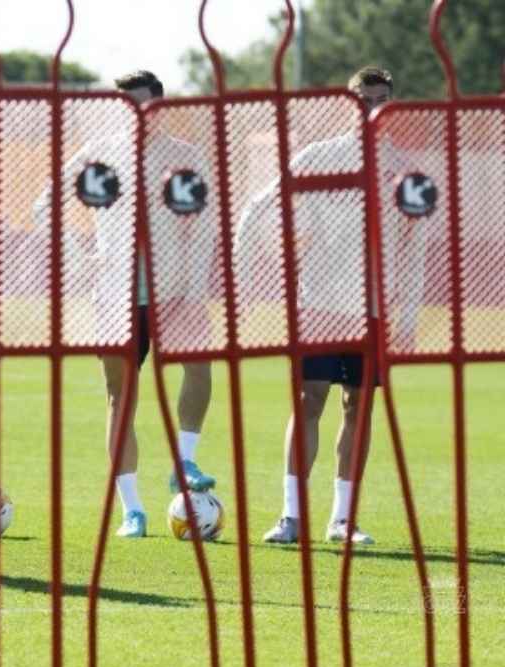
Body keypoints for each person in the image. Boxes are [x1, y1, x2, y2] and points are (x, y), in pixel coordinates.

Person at [43, 70, 217, 539]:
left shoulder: (187, 156)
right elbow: (47, 204)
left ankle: (184, 460)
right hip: (117, 296)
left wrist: (196, 284)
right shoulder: (100, 153)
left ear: (160, 105)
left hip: (178, 291)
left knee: (200, 369)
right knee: (121, 398)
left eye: (144, 104)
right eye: (127, 105)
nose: (137, 113)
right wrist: (82, 256)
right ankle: (132, 510)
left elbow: (206, 225)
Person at [244, 66, 397, 546]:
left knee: (359, 407)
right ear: (347, 102)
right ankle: (291, 516)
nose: (372, 108)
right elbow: (260, 206)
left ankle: (342, 520)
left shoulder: (401, 165)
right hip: (319, 304)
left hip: (373, 308)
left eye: (381, 100)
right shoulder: (318, 157)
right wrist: (253, 261)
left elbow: (415, 241)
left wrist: (405, 312)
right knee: (309, 399)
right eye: (363, 99)